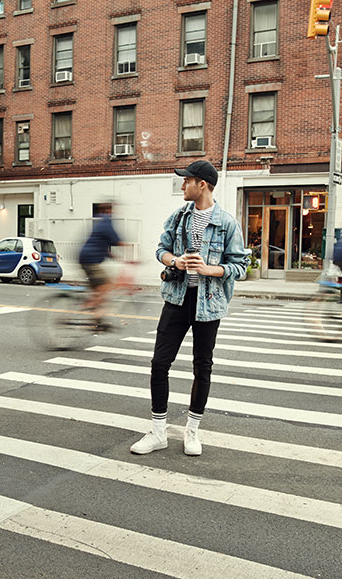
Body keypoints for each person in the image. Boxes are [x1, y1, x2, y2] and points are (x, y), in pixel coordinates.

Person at [131, 160, 248, 456]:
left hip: (208, 303)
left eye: (187, 181)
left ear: (202, 185)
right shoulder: (179, 217)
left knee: (202, 367)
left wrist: (210, 270)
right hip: (177, 298)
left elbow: (241, 266)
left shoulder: (227, 223)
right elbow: (161, 249)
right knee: (159, 363)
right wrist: (175, 261)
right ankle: (158, 432)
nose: (182, 185)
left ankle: (192, 432)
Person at [78, 202, 127, 323]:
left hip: (87, 257)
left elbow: (102, 246)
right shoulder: (106, 223)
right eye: (112, 210)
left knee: (98, 288)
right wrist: (136, 257)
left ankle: (93, 308)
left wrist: (117, 258)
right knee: (106, 283)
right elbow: (119, 242)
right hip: (90, 260)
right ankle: (95, 314)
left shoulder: (101, 224)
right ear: (108, 211)